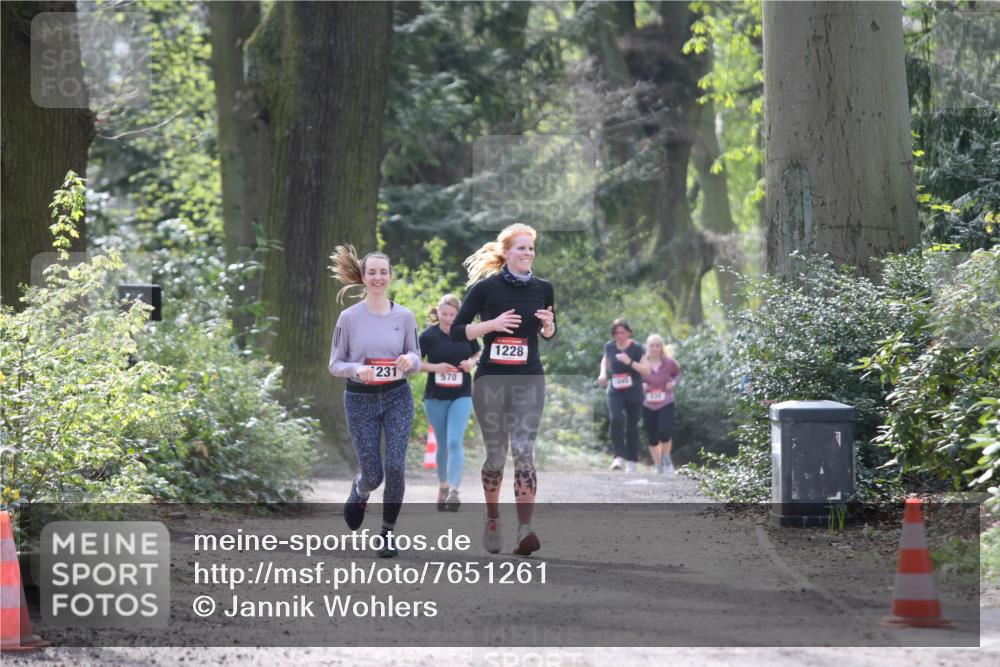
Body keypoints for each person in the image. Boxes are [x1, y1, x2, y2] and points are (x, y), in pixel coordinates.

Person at [450, 223, 556, 556]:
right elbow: (456, 332)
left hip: (529, 379)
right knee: (497, 454)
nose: (528, 253)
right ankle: (493, 517)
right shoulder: (485, 289)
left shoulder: (543, 288)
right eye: (521, 248)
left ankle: (525, 528)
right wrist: (491, 326)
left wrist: (550, 327)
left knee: (524, 449)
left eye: (531, 248)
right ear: (506, 253)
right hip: (491, 381)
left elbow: (549, 332)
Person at [328, 245, 421, 558]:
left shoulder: (405, 316)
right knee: (374, 474)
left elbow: (417, 357)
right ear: (363, 278)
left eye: (384, 272)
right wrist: (357, 369)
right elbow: (335, 364)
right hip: (360, 399)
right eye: (373, 272)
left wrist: (409, 359)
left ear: (391, 277)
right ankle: (361, 489)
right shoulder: (349, 317)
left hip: (397, 396)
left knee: (395, 466)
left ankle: (387, 534)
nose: (378, 277)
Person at [419, 294, 480, 512]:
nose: (448, 318)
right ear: (438, 312)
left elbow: (478, 353)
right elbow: (414, 363)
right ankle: (443, 486)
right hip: (435, 396)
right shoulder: (428, 335)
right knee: (443, 442)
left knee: (455, 441)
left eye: (452, 315)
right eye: (444, 314)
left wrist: (470, 363)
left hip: (461, 393)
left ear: (458, 314)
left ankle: (454, 490)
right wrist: (436, 368)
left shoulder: (465, 332)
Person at [597, 319, 644, 473]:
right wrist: (603, 374)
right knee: (616, 419)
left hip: (634, 391)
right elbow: (605, 359)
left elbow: (647, 370)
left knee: (632, 426)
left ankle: (631, 460)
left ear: (628, 332)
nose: (619, 336)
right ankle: (618, 456)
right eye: (616, 333)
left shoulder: (637, 348)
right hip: (616, 390)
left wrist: (629, 362)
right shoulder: (610, 346)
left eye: (622, 332)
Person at [637, 334, 682, 474]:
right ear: (647, 347)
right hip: (647, 403)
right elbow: (634, 378)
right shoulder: (641, 363)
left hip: (665, 402)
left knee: (664, 432)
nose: (655, 348)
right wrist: (641, 385)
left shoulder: (669, 362)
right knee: (652, 436)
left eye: (657, 345)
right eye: (652, 345)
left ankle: (666, 459)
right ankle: (658, 465)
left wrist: (673, 383)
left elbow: (678, 374)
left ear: (661, 347)